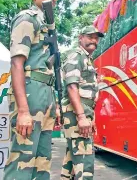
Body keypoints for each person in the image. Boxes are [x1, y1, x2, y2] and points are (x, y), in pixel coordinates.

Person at [3, 0, 61, 180]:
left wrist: (55, 105)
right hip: (30, 92)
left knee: (42, 162)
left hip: (45, 94)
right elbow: (17, 64)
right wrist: (24, 111)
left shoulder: (48, 25)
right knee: (22, 160)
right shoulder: (28, 19)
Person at [60, 25, 104, 180]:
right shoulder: (76, 56)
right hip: (77, 112)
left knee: (72, 162)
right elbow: (72, 86)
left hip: (83, 112)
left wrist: (90, 117)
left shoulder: (86, 59)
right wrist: (81, 116)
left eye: (96, 38)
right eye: (90, 36)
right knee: (85, 165)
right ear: (80, 38)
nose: (94, 40)